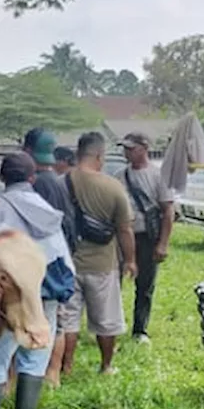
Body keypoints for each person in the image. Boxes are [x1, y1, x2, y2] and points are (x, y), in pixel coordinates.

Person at [0, 153, 76, 409]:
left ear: (2, 178)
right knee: (36, 353)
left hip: (10, 297)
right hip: (46, 293)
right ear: (32, 178)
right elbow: (64, 260)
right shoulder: (47, 210)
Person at [64, 132, 136, 375]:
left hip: (68, 262)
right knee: (106, 320)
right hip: (103, 264)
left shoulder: (61, 182)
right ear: (98, 155)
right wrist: (131, 260)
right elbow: (125, 229)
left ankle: (65, 367)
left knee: (68, 321)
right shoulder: (113, 187)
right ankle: (106, 366)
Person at [23, 128, 76, 386]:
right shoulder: (57, 180)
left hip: (41, 262)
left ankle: (45, 374)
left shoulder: (37, 185)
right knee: (55, 319)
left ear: (28, 151)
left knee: (43, 320)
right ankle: (51, 375)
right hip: (60, 259)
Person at [119, 132, 174, 345]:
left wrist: (163, 243)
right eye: (125, 148)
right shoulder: (120, 176)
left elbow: (168, 211)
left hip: (147, 236)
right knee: (114, 279)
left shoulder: (158, 176)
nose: (127, 152)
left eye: (131, 148)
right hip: (124, 235)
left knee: (145, 285)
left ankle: (140, 329)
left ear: (144, 148)